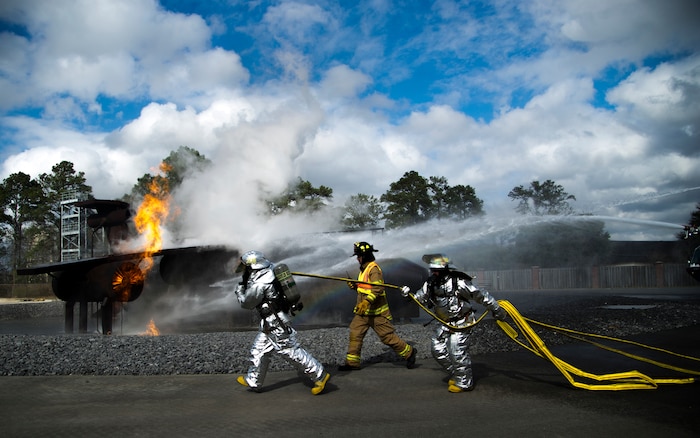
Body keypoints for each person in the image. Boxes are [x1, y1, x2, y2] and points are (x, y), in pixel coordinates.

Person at [401, 254, 506, 393]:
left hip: (462, 322)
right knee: (437, 349)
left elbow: (481, 295)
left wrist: (497, 310)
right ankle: (458, 374)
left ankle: (464, 383)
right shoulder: (431, 283)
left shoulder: (459, 282)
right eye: (433, 270)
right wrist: (408, 295)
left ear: (446, 269)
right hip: (446, 323)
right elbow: (419, 298)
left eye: (437, 270)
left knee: (457, 351)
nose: (434, 273)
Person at [234, 250, 330, 395]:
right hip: (269, 321)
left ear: (252, 266)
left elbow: (247, 303)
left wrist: (239, 291)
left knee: (289, 350)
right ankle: (254, 380)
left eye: (245, 266)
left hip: (275, 322)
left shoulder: (260, 283)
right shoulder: (271, 269)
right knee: (259, 350)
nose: (244, 269)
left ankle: (319, 375)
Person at [339, 241, 417, 371]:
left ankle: (409, 352)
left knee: (387, 337)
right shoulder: (364, 269)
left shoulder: (373, 269)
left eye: (358, 256)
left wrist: (366, 302)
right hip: (363, 312)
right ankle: (352, 363)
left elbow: (378, 288)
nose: (357, 258)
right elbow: (365, 287)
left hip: (376, 313)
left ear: (365, 256)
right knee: (355, 333)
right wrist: (355, 286)